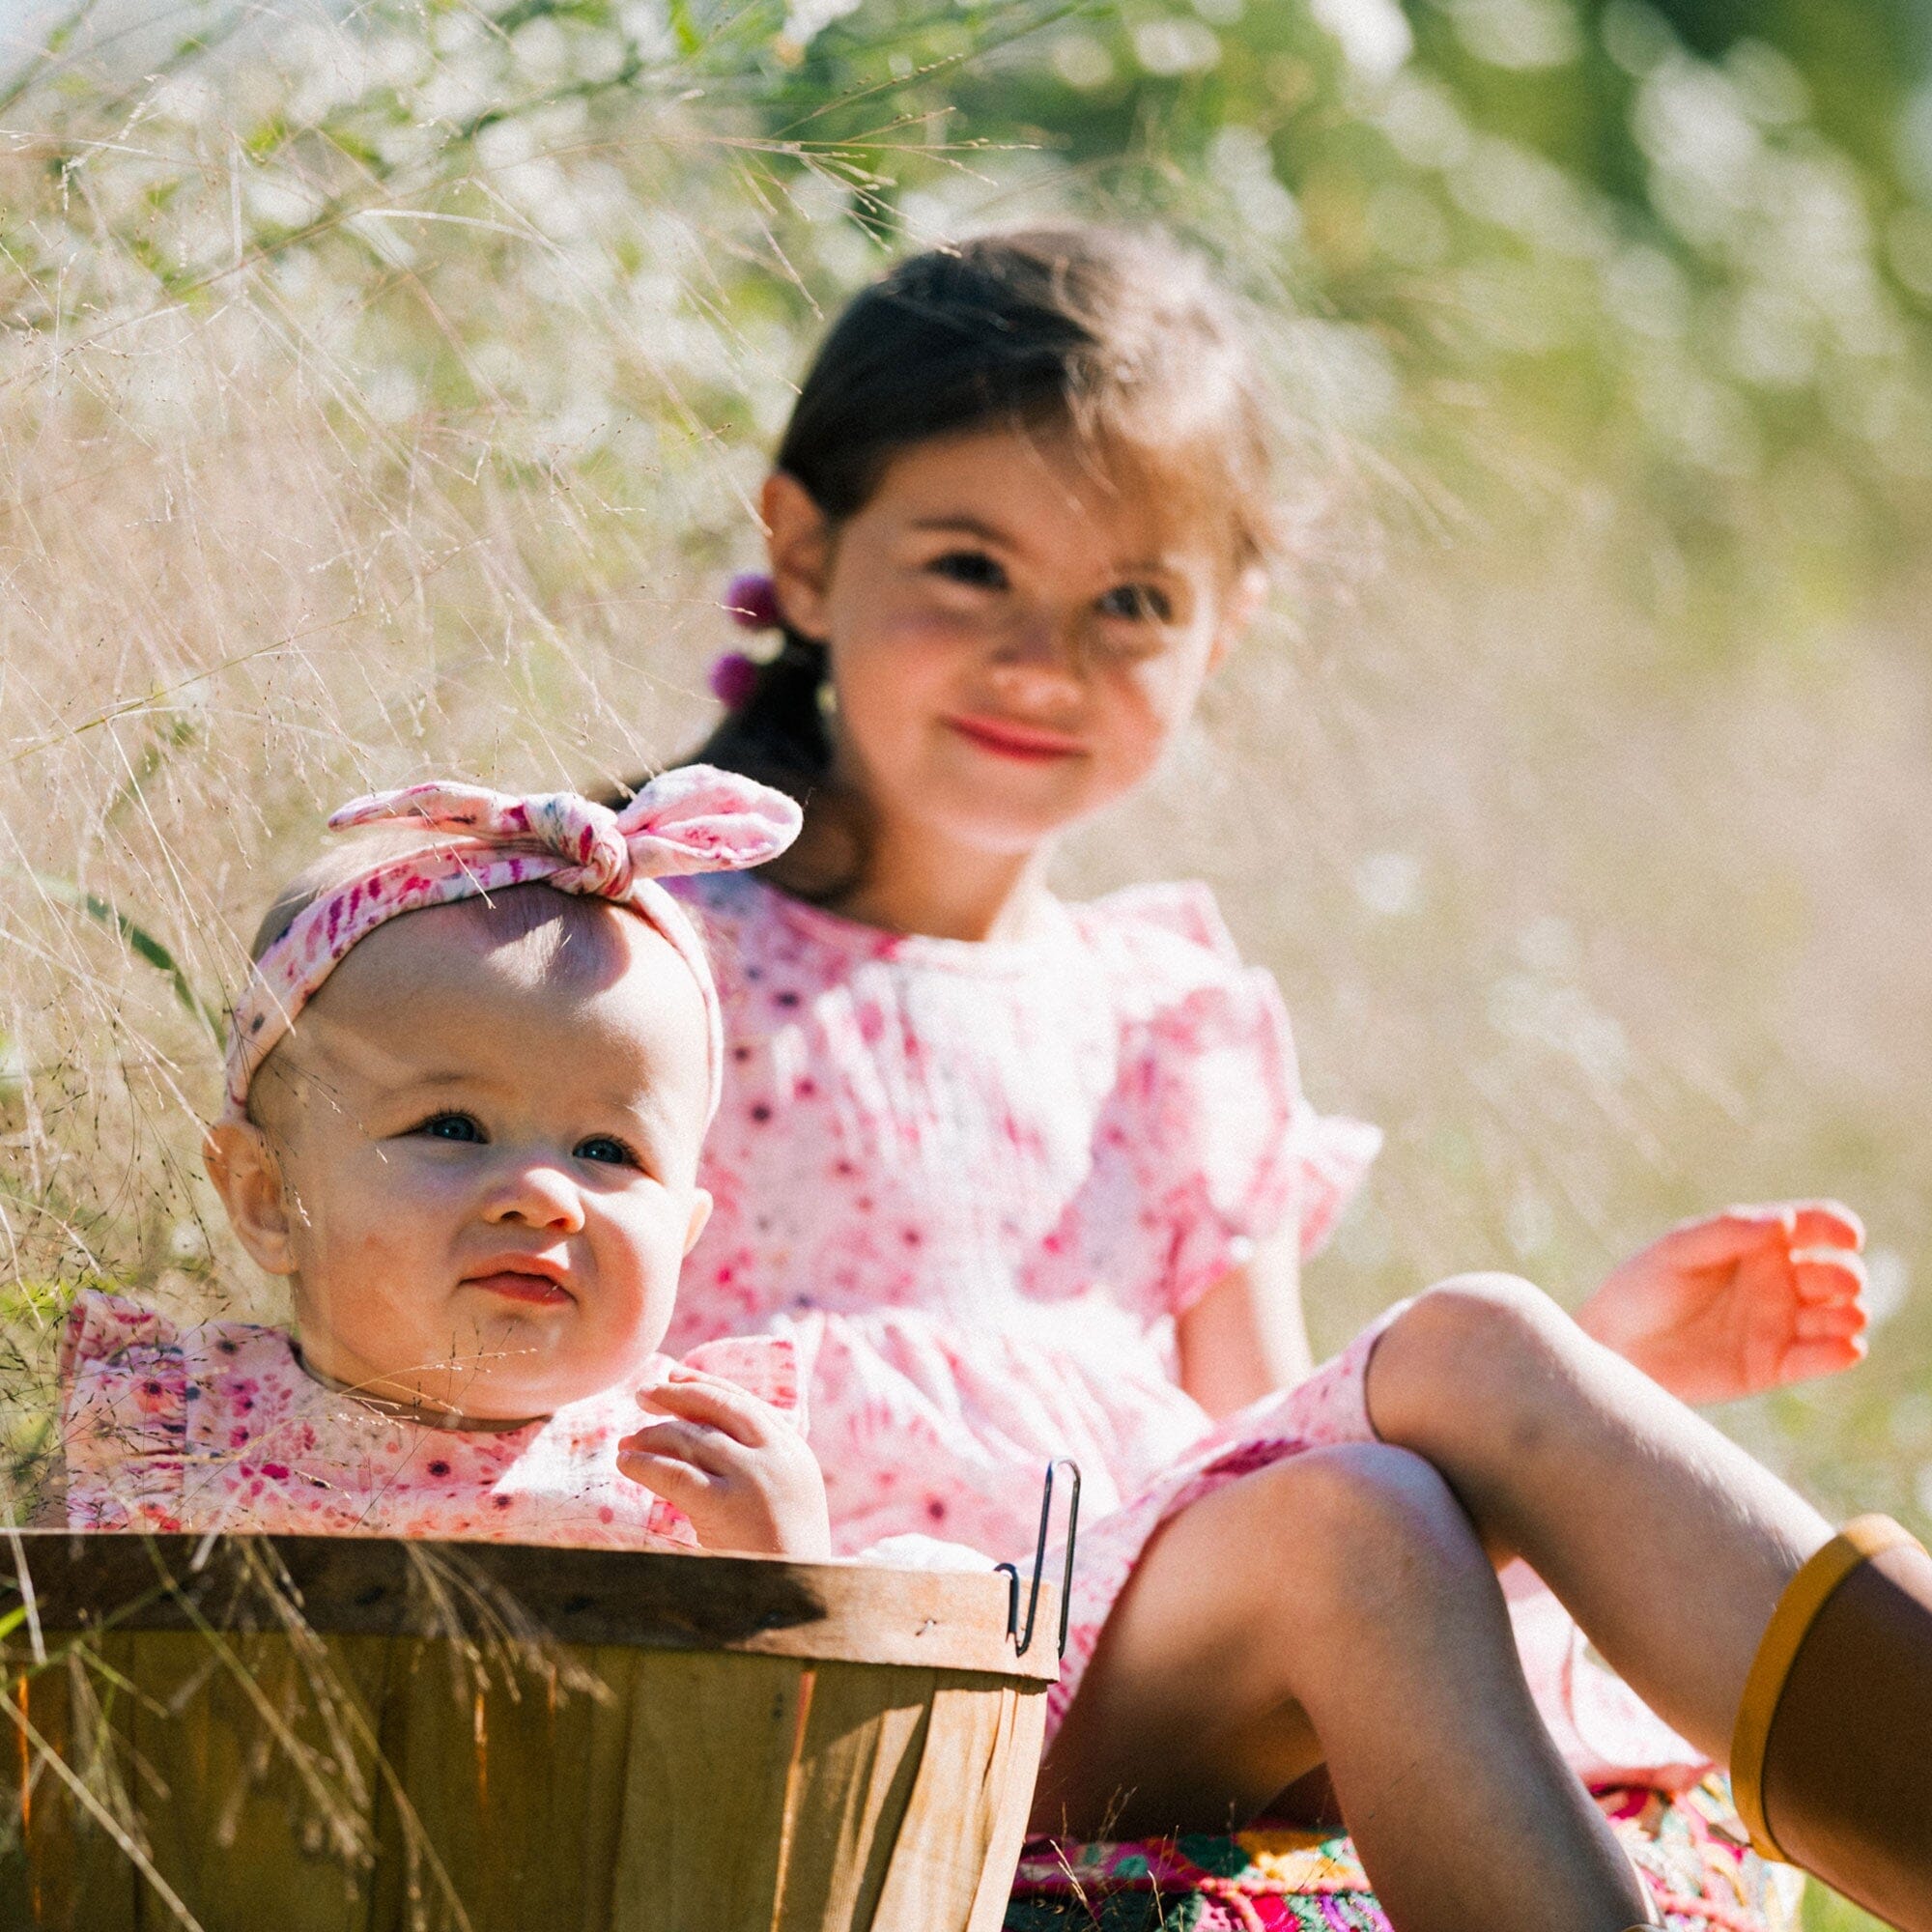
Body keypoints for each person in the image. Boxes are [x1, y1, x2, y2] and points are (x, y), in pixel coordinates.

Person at [622, 228, 1932, 1930]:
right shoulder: (652, 956)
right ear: (803, 552)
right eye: (967, 568)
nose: (1044, 659)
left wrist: (1590, 1395)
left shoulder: (1171, 1012)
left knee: (1364, 1517)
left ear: (1227, 626)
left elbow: (1267, 1436)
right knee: (1446, 1376)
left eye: (1132, 604)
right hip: (846, 1653)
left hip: (1149, 1642)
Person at [55, 765, 834, 1561]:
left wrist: (786, 1568)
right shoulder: (177, 1433)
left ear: (682, 1231)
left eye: (607, 1150)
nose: (540, 1197)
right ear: (269, 1197)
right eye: (454, 1126)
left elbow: (792, 1682)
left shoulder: (696, 1474)